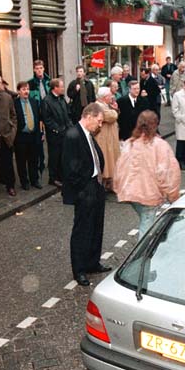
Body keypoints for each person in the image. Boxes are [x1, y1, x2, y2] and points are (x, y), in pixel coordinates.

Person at [61, 103, 111, 287]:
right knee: (82, 229)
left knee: (97, 225)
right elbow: (69, 168)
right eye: (98, 121)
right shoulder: (72, 135)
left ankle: (93, 262)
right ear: (88, 116)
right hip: (85, 188)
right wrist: (82, 189)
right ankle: (79, 269)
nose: (100, 125)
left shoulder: (89, 134)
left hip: (96, 185)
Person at [114, 111, 181, 238]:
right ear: (155, 124)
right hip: (149, 194)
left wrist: (119, 188)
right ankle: (142, 256)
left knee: (146, 220)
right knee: (146, 225)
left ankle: (155, 242)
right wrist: (173, 196)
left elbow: (120, 168)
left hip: (131, 192)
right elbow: (167, 172)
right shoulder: (160, 145)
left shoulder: (130, 143)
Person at [0, 73, 18, 197]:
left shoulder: (7, 97)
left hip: (6, 136)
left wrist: (12, 132)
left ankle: (10, 186)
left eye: (0, 82)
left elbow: (13, 116)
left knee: (8, 163)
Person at [41, 78, 72, 187]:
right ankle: (53, 178)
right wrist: (58, 129)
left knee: (63, 156)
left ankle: (62, 176)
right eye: (61, 86)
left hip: (65, 132)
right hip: (55, 135)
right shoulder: (47, 101)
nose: (63, 88)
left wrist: (70, 127)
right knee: (54, 157)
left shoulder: (61, 99)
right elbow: (47, 119)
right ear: (55, 88)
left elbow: (67, 114)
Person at [13, 81, 43, 190]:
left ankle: (34, 180)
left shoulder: (34, 102)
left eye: (27, 89)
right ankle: (24, 182)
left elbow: (39, 118)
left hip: (33, 135)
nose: (26, 91)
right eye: (24, 89)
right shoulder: (14, 103)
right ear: (18, 91)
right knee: (21, 161)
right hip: (21, 136)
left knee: (34, 160)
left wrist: (41, 132)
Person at [95, 87, 120, 191]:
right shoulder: (98, 106)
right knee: (105, 162)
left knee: (110, 160)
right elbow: (111, 116)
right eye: (110, 95)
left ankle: (108, 184)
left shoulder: (105, 105)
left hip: (109, 139)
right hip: (103, 139)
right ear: (105, 97)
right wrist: (114, 111)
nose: (112, 97)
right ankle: (102, 186)